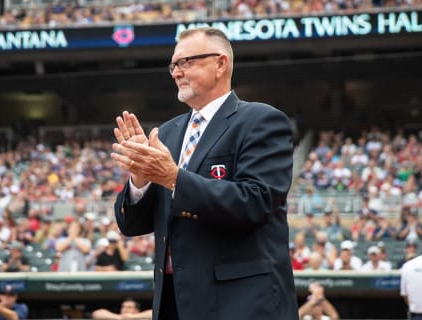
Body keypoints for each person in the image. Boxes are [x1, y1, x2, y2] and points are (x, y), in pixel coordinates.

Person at [111, 27, 297, 320]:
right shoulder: (168, 132)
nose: (176, 72)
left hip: (240, 303)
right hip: (174, 301)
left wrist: (173, 178)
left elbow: (255, 201)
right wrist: (140, 178)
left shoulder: (261, 120)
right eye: (173, 65)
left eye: (186, 62)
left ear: (220, 64)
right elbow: (131, 225)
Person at [400, 254, 422, 320]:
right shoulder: (407, 265)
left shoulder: (407, 265)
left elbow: (404, 294)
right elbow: (404, 294)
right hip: (416, 313)